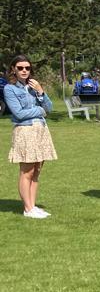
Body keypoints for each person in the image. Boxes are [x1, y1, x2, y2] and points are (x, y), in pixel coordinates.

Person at [4, 56, 57, 218]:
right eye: (20, 68)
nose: (24, 70)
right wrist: (40, 111)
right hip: (25, 131)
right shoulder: (10, 89)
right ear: (13, 69)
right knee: (26, 171)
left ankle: (32, 206)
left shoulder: (34, 86)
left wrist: (41, 92)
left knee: (36, 171)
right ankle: (27, 209)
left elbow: (50, 107)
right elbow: (19, 114)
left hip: (41, 130)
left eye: (27, 68)